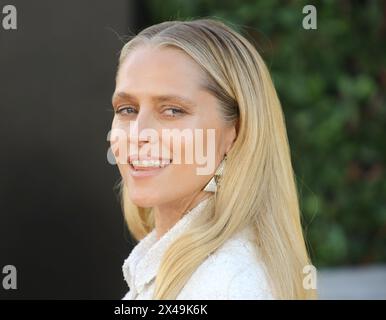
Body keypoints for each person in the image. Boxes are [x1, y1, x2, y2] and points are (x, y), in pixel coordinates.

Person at [109, 18, 315, 299]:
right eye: (127, 109)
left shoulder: (228, 283)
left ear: (235, 132)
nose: (138, 133)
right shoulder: (177, 266)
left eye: (172, 111)